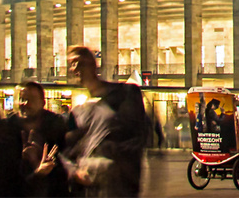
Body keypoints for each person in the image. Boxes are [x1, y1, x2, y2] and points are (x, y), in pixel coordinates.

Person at [62, 46, 149, 196]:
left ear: (93, 63)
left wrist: (94, 166)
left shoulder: (126, 94)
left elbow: (136, 139)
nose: (74, 68)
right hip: (90, 189)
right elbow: (67, 150)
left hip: (118, 188)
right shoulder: (79, 112)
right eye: (71, 64)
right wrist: (74, 171)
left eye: (78, 62)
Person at [10, 82, 69, 197]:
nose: (25, 104)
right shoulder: (7, 128)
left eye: (31, 99)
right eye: (22, 99)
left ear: (43, 103)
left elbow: (66, 161)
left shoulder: (57, 126)